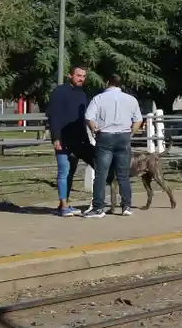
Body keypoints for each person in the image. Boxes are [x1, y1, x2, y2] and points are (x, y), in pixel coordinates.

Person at [84, 74, 143, 218]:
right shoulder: (131, 99)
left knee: (101, 174)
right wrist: (131, 133)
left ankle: (98, 208)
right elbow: (138, 120)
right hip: (123, 136)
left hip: (105, 136)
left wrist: (94, 129)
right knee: (123, 175)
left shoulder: (98, 98)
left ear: (107, 82)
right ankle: (126, 206)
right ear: (121, 84)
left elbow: (88, 117)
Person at [46, 65, 92, 217]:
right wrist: (56, 137)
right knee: (63, 171)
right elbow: (54, 116)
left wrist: (86, 138)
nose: (81, 79)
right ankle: (64, 206)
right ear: (70, 75)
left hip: (78, 139)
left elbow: (82, 119)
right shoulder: (59, 92)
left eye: (83, 76)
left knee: (71, 172)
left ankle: (63, 204)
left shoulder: (82, 94)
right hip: (62, 139)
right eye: (78, 75)